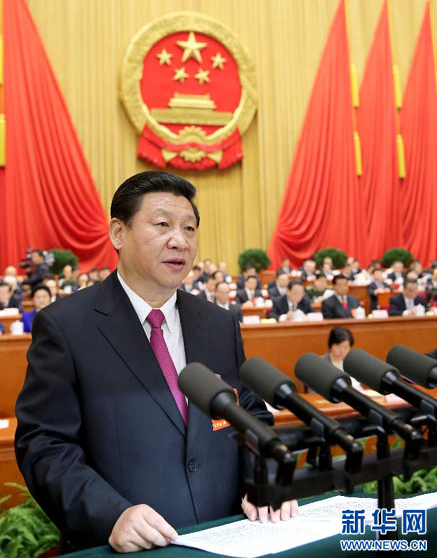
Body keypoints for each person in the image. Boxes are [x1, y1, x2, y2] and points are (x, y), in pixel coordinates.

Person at [15, 171, 297, 554]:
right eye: (162, 225)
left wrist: (263, 480)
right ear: (118, 233)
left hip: (228, 539)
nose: (180, 240)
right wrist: (110, 515)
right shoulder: (67, 326)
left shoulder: (218, 323)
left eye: (189, 228)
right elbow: (45, 444)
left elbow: (248, 414)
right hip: (131, 548)